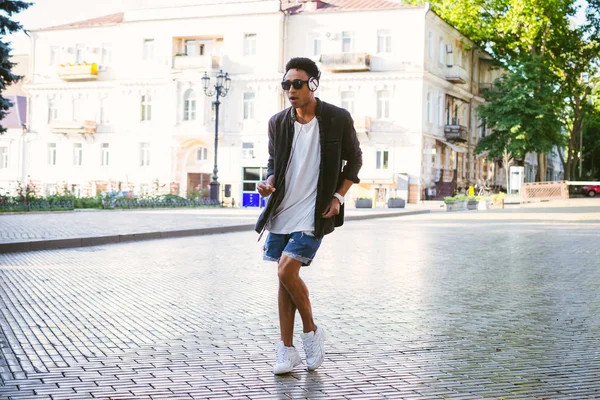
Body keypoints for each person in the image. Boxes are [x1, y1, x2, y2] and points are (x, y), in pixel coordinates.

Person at [255, 57, 363, 375]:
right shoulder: (278, 122)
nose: (291, 89)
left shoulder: (336, 118)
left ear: (313, 84)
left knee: (287, 271)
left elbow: (354, 161)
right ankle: (286, 351)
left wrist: (339, 196)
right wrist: (268, 183)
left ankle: (311, 331)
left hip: (313, 212)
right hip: (283, 210)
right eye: (286, 84)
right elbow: (275, 163)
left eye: (297, 83)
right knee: (285, 279)